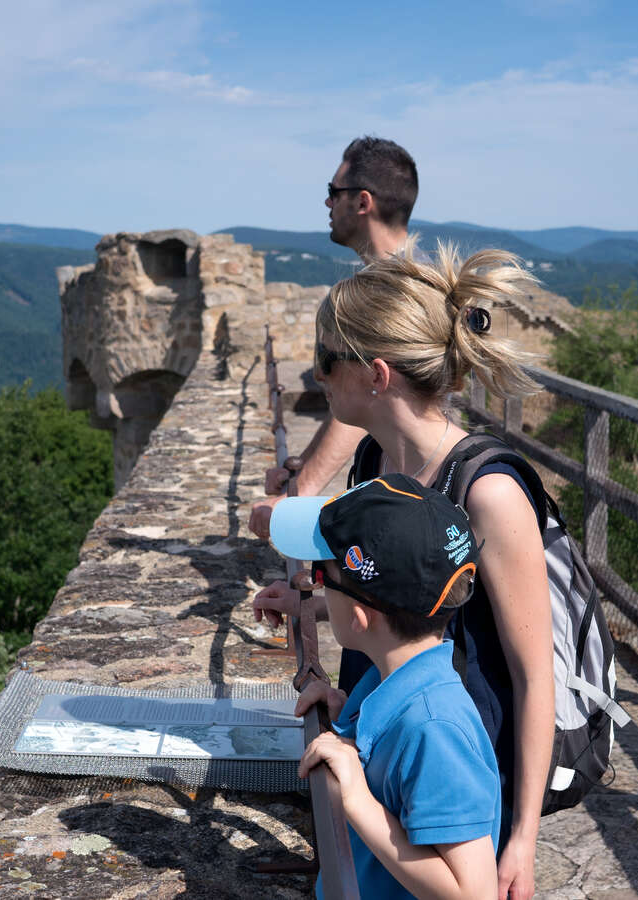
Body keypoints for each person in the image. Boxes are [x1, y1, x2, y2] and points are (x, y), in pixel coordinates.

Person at [253, 246, 553, 900]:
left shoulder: (488, 494)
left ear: (377, 375)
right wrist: (313, 595)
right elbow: (379, 585)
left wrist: (523, 838)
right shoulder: (374, 460)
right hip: (382, 746)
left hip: (449, 787)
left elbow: (534, 675)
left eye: (329, 360)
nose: (318, 377)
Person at [270, 472, 498, 900]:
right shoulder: (393, 678)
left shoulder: (434, 726)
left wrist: (357, 799)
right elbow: (396, 774)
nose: (314, 584)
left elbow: (474, 892)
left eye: (320, 574)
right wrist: (344, 714)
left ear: (359, 617)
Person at [248, 135, 417, 544]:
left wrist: (298, 497)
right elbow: (352, 400)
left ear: (362, 202)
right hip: (401, 494)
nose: (327, 203)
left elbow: (373, 395)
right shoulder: (404, 277)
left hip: (409, 506)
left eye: (332, 192)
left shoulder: (393, 292)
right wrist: (300, 468)